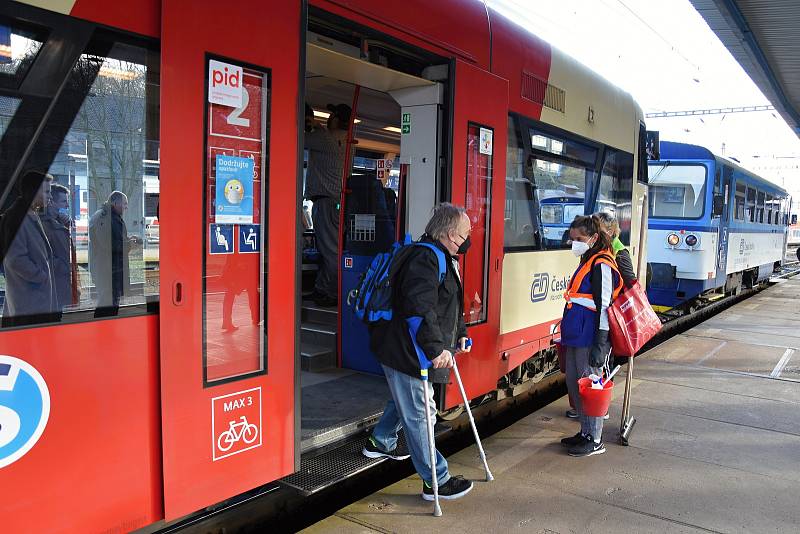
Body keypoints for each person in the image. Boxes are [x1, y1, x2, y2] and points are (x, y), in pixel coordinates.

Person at [362, 203, 474, 501]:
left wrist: (460, 335)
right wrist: (436, 349)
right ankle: (435, 480)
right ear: (451, 234)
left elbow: (448, 306)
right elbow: (418, 310)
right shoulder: (424, 259)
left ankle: (380, 441)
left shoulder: (443, 257)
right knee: (422, 414)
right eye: (466, 234)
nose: (468, 239)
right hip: (407, 351)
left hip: (406, 348)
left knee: (408, 401)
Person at [559, 215, 622, 457]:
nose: (574, 243)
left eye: (579, 239)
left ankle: (595, 439)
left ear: (594, 238)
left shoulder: (602, 263)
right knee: (577, 385)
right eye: (572, 238)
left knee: (592, 387)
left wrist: (601, 343)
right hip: (577, 333)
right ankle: (585, 432)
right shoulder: (589, 259)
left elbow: (604, 305)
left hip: (590, 335)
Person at [304, 102, 351, 307]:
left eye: (331, 115)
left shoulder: (326, 138)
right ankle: (322, 288)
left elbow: (298, 137)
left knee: (330, 250)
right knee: (329, 248)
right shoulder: (346, 141)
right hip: (336, 202)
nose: (328, 118)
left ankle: (332, 292)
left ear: (338, 119)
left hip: (326, 202)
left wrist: (311, 122)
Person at [1, 171, 57, 327]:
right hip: (28, 302)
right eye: (46, 191)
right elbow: (15, 259)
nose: (49, 196)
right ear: (33, 191)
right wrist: (41, 276)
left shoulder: (28, 213)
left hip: (29, 299)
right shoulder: (18, 217)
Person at [89, 191, 139, 311]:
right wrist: (129, 245)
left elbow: (113, 238)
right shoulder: (105, 217)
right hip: (108, 272)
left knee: (110, 304)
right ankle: (104, 329)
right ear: (115, 203)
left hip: (110, 270)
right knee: (107, 306)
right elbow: (108, 244)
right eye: (125, 204)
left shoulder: (108, 216)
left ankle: (105, 328)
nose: (126, 207)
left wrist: (128, 239)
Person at [41, 183, 79, 310]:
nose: (67, 205)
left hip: (62, 280)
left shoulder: (60, 222)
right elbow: (43, 254)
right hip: (54, 281)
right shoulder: (44, 224)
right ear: (51, 202)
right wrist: (61, 266)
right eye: (64, 202)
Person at [595, 211, 637, 287]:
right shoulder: (599, 247)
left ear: (610, 232)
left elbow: (631, 282)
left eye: (598, 230)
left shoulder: (621, 253)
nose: (594, 233)